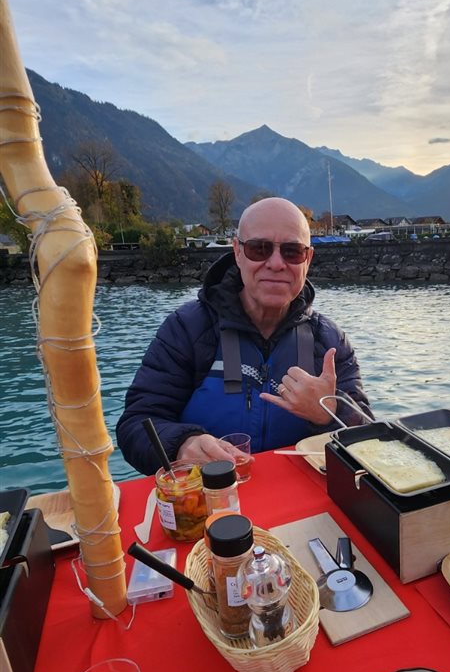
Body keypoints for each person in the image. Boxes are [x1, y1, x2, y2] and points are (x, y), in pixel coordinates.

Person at [116, 197, 372, 475]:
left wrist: (329, 413)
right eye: (259, 249)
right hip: (210, 499)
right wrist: (181, 444)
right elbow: (136, 425)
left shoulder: (330, 341)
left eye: (292, 251)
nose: (276, 263)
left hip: (304, 505)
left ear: (307, 259)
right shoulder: (187, 329)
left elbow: (369, 440)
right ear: (237, 252)